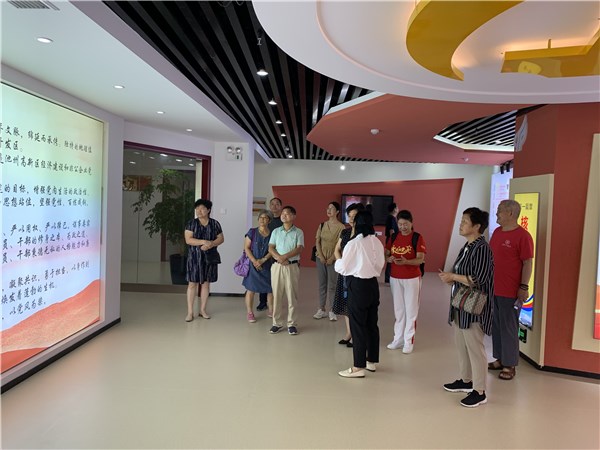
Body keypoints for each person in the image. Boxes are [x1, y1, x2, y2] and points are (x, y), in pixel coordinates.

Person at [439, 207, 494, 408]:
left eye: (465, 221)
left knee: (475, 348)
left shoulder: (481, 248)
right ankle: (466, 380)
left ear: (477, 226)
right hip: (461, 304)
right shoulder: (468, 246)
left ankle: (479, 391)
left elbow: (479, 279)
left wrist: (453, 276)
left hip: (474, 307)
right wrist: (451, 278)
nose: (460, 224)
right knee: (462, 345)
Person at [334, 210, 385, 378]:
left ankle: (358, 367)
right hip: (373, 285)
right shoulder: (376, 242)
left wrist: (338, 260)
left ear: (356, 224)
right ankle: (371, 361)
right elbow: (380, 264)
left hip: (358, 285)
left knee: (357, 326)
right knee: (372, 324)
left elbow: (343, 268)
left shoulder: (354, 243)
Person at [489, 199, 534, 381]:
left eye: (500, 210)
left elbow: (527, 263)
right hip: (493, 288)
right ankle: (500, 358)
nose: (497, 213)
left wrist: (524, 286)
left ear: (510, 213)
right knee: (496, 325)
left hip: (510, 291)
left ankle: (510, 364)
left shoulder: (523, 236)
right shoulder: (497, 232)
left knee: (509, 327)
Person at [385, 210, 426, 354]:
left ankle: (408, 341)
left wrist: (406, 262)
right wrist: (388, 258)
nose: (402, 227)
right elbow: (386, 253)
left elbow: (420, 259)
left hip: (412, 279)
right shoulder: (394, 236)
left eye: (405, 224)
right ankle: (398, 339)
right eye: (400, 224)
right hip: (395, 278)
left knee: (411, 310)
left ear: (411, 222)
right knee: (399, 310)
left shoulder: (417, 237)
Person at [184, 199, 224, 322]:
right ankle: (190, 312)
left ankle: (202, 310)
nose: (198, 211)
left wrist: (211, 244)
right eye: (197, 209)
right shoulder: (191, 223)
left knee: (206, 283)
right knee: (192, 284)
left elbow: (221, 238)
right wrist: (203, 242)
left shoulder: (215, 224)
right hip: (194, 258)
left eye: (201, 209)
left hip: (209, 258)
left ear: (208, 210)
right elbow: (188, 240)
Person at [268, 205, 304, 335]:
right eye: (283, 213)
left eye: (287, 213)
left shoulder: (298, 232)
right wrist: (279, 258)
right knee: (276, 295)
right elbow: (271, 247)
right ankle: (276, 323)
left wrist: (285, 257)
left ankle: (292, 324)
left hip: (291, 266)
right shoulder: (276, 231)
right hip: (277, 266)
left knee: (291, 295)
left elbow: (299, 248)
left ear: (293, 216)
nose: (284, 215)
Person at [332, 203, 364, 347]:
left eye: (354, 216)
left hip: (357, 274)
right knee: (346, 305)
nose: (351, 219)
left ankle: (357, 335)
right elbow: (336, 249)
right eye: (349, 216)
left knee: (356, 305)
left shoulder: (364, 235)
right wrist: (342, 264)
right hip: (344, 274)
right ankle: (349, 333)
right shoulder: (345, 232)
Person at [313, 202, 346, 321]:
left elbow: (339, 245)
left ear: (337, 212)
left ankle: (332, 310)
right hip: (320, 258)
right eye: (328, 208)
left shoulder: (341, 227)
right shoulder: (322, 225)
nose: (328, 210)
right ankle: (321, 309)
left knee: (332, 285)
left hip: (334, 259)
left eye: (331, 208)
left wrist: (332, 258)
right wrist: (321, 256)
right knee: (322, 284)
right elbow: (317, 242)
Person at [242, 210, 274, 323]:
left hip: (267, 264)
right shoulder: (252, 232)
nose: (262, 220)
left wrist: (263, 260)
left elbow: (273, 249)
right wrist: (255, 261)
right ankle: (250, 313)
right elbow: (246, 248)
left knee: (270, 289)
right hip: (253, 265)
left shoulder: (273, 234)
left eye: (265, 218)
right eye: (260, 217)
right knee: (251, 289)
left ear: (269, 220)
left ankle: (271, 310)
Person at [258, 197, 283, 311]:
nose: (274, 206)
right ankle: (262, 302)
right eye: (272, 204)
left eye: (277, 204)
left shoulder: (282, 221)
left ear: (280, 206)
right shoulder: (266, 219)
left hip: (278, 254)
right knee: (263, 277)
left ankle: (274, 303)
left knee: (275, 280)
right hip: (265, 253)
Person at [384, 202, 399, 283]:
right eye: (397, 207)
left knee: (391, 258)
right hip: (392, 241)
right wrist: (393, 242)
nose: (398, 209)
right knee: (391, 258)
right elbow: (392, 231)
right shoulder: (391, 218)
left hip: (391, 240)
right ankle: (388, 278)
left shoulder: (391, 218)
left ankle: (389, 277)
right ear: (394, 209)